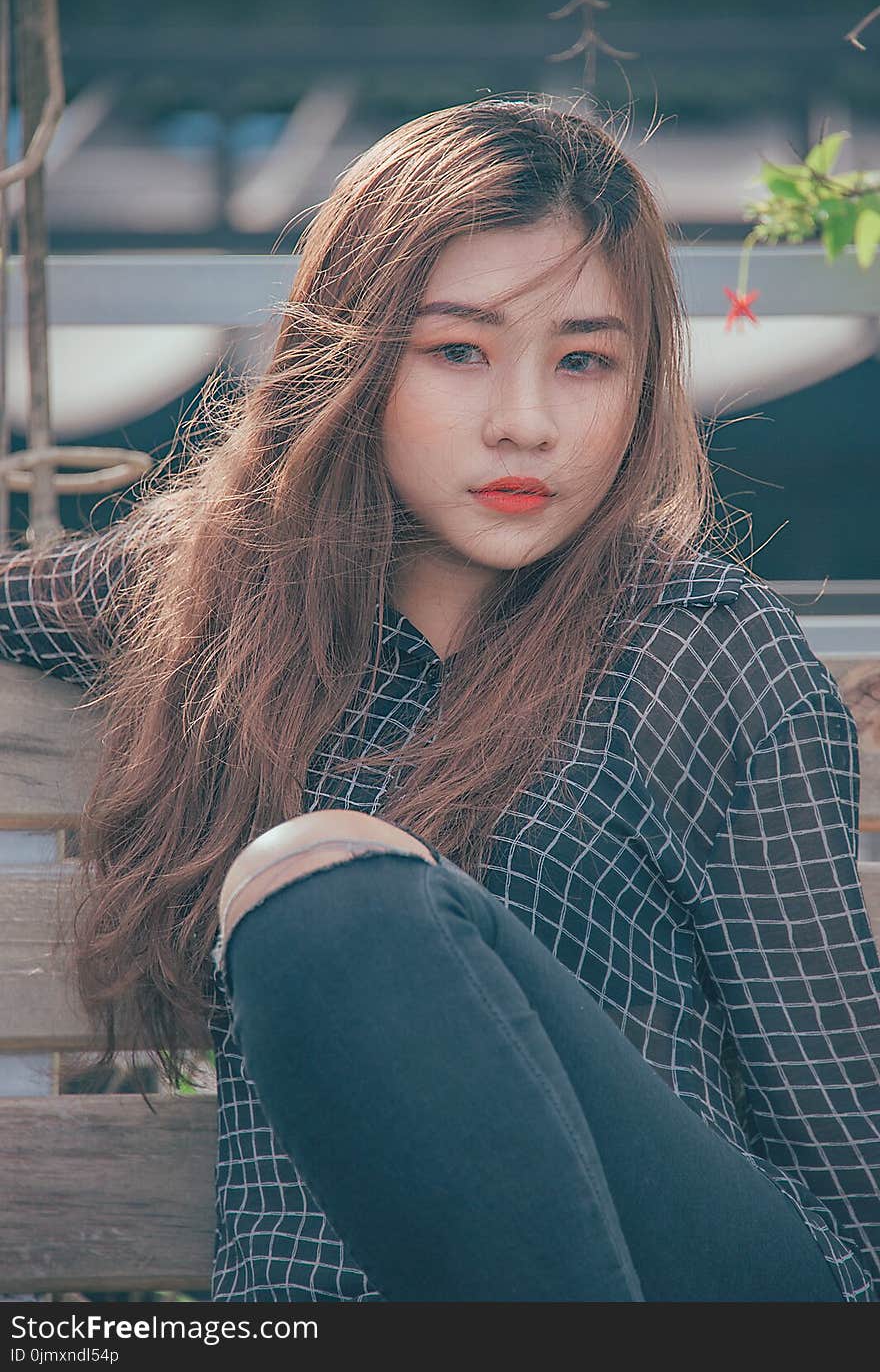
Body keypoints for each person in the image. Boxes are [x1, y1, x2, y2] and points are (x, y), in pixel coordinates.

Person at [1, 96, 878, 1303]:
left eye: (584, 360)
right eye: (456, 350)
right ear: (352, 359)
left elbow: (852, 1212)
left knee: (329, 896)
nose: (525, 421)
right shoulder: (219, 606)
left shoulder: (702, 653)